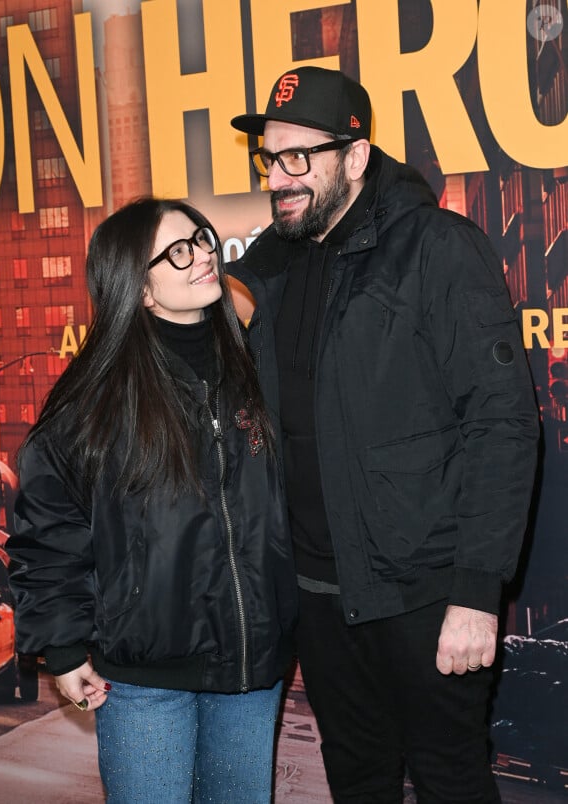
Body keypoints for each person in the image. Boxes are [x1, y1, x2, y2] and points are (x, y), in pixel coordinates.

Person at [229, 67, 540, 803]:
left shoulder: (437, 248)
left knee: (450, 778)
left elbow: (502, 425)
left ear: (357, 157)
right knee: (357, 779)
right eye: (271, 159)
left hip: (426, 595)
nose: (281, 177)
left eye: (301, 156)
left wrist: (475, 592)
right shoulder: (266, 268)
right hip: (318, 600)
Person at [6, 198, 298, 804]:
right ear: (138, 289)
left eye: (204, 239)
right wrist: (60, 647)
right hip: (142, 680)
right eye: (179, 250)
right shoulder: (94, 402)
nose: (203, 257)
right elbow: (49, 535)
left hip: (250, 668)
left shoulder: (255, 368)